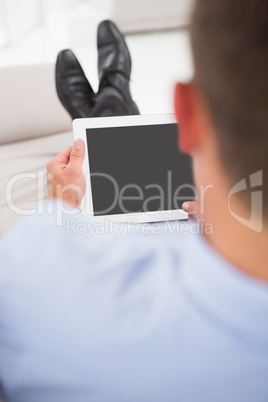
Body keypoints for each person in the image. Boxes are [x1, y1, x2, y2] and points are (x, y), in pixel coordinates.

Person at [0, 1, 267, 401]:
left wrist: (65, 206)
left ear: (185, 114)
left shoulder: (33, 265)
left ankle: (110, 99)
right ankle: (114, 93)